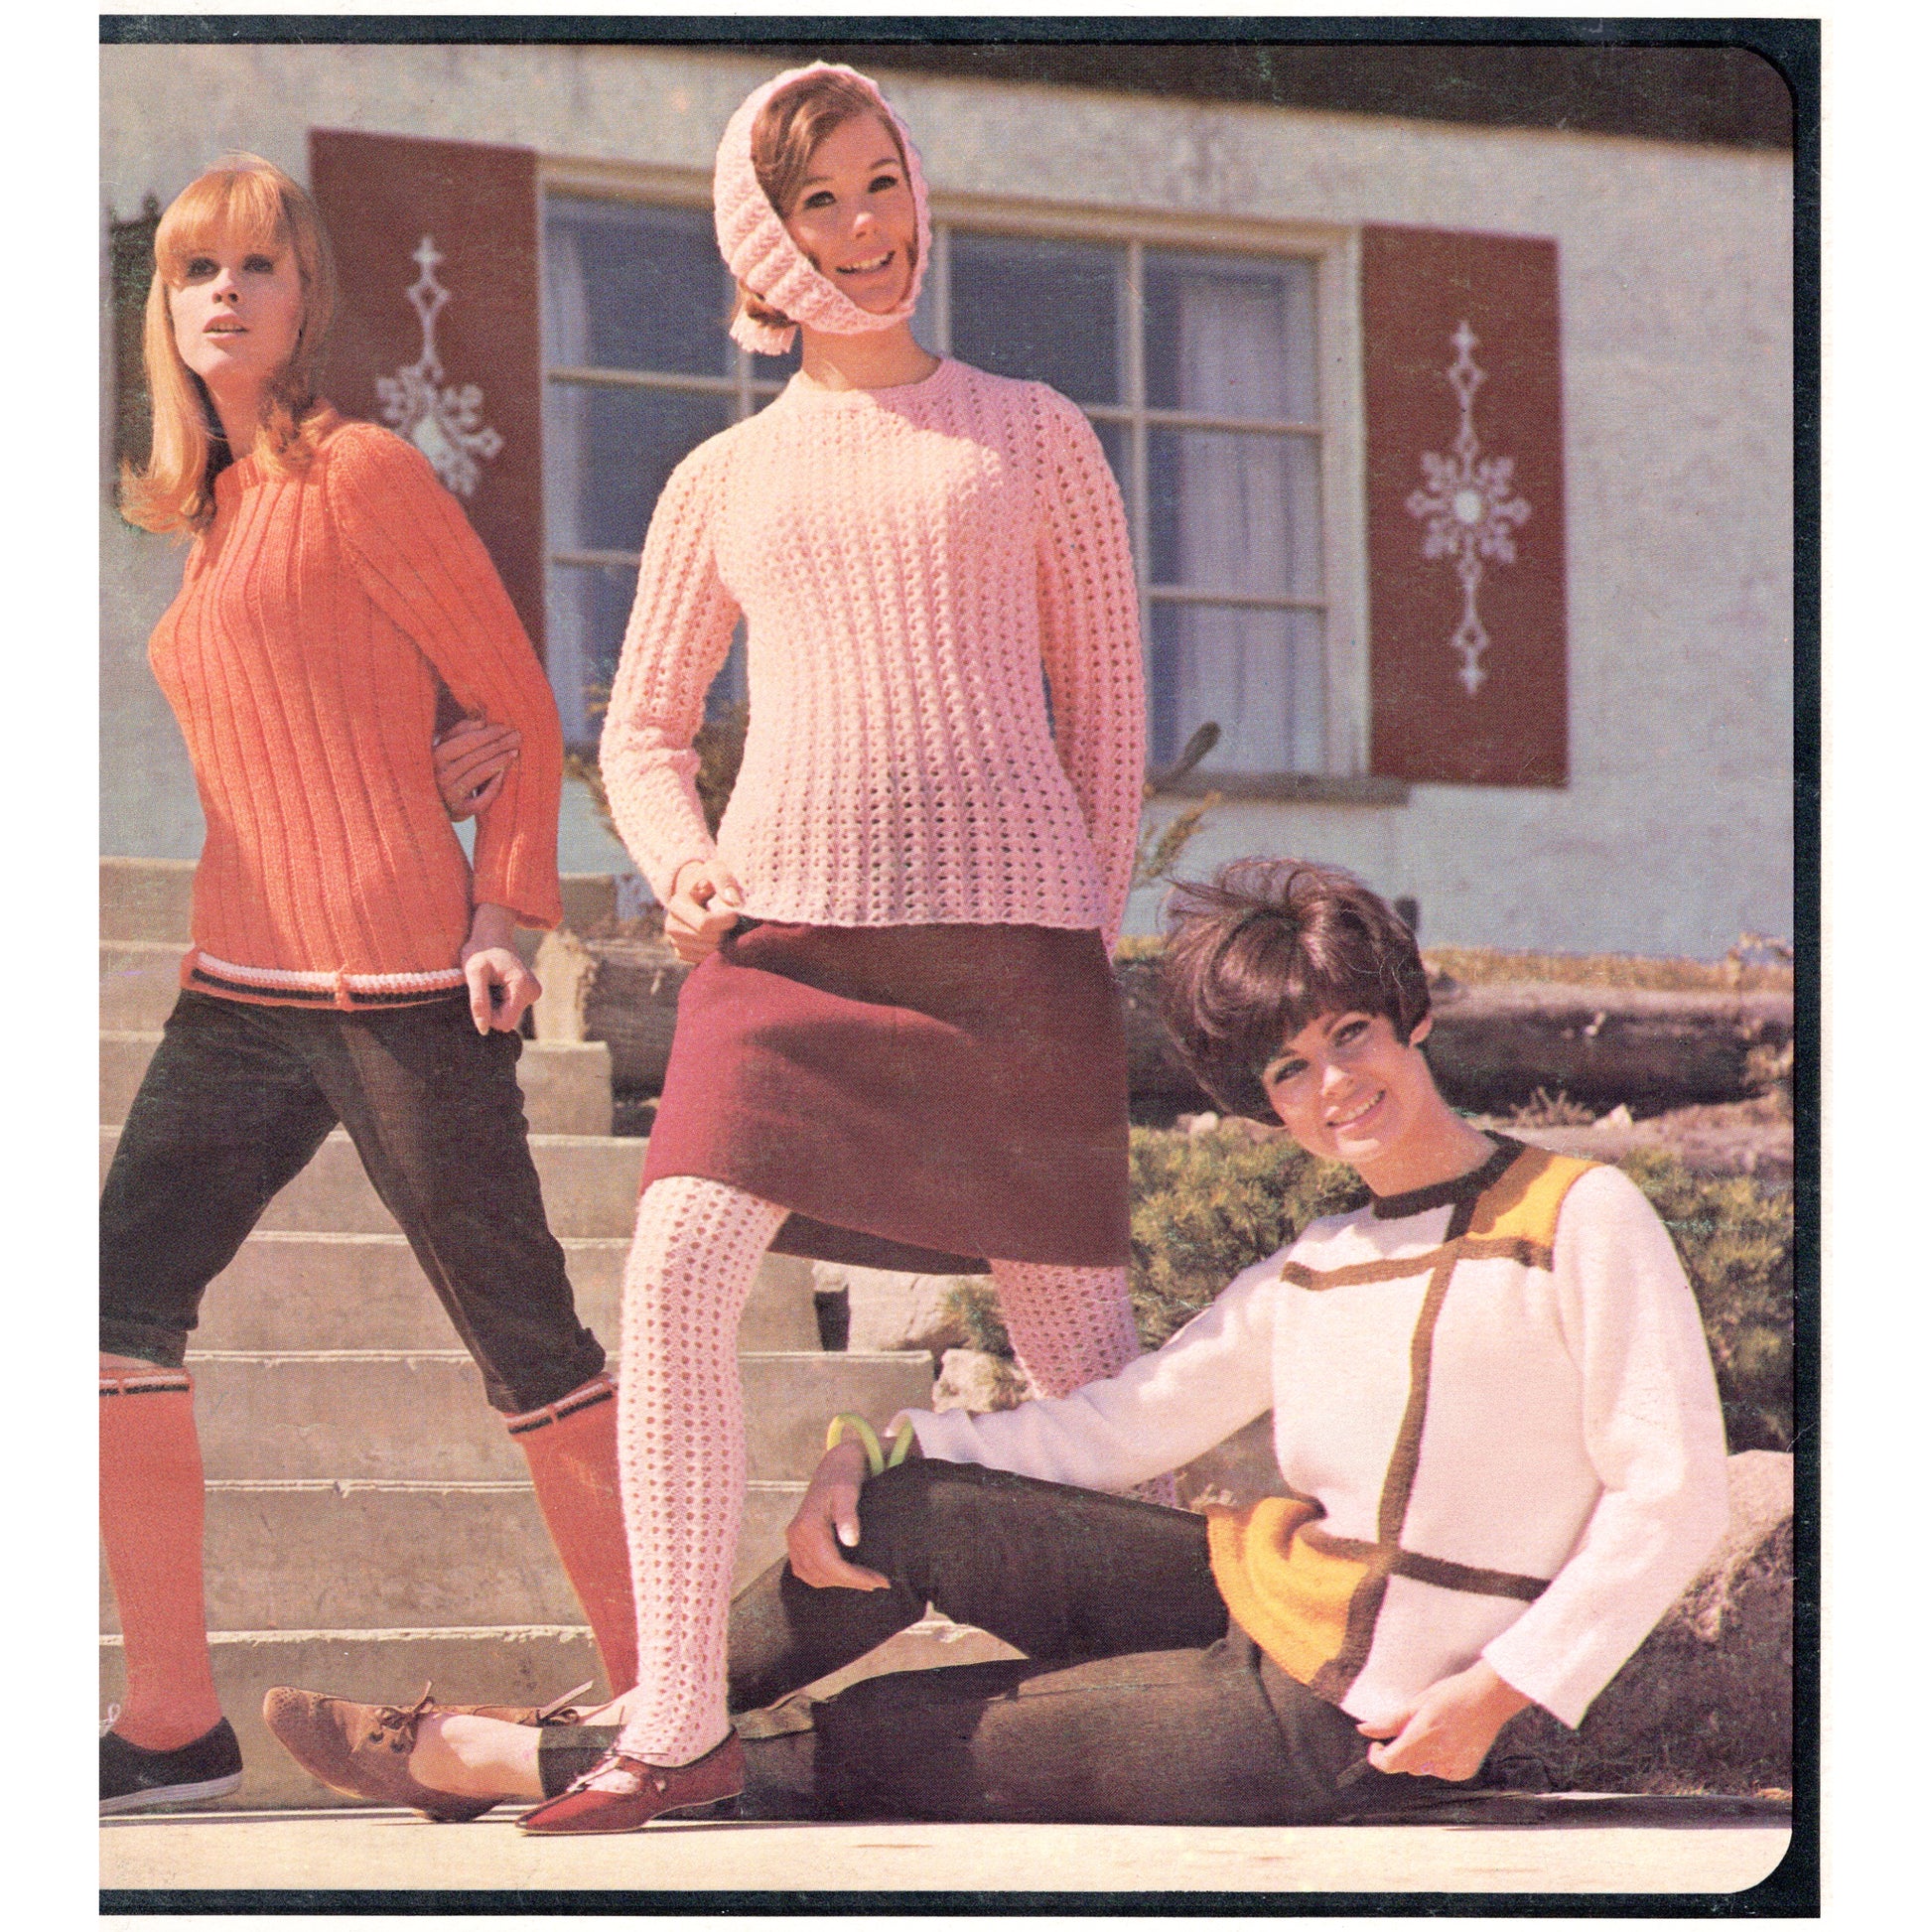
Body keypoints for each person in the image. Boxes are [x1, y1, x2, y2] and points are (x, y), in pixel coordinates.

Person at [266, 859, 1730, 1829]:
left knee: (902, 1728)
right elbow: (1115, 1424)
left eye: (1349, 1032)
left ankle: (523, 1753)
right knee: (905, 1507)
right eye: (1288, 1066)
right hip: (1251, 1603)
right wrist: (869, 1447)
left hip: (1355, 1713)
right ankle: (653, 1716)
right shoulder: (1318, 1262)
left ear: (1406, 1018)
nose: (1331, 1082)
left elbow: (1670, 1489)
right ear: (1265, 1101)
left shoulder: (1575, 1212)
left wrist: (1501, 1690)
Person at [443, 61, 1154, 1818]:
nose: (865, 228)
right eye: (819, 202)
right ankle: (673, 1723)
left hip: (1009, 945)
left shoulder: (1036, 429)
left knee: (1084, 1346)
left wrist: (1077, 919)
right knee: (674, 1272)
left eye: (880, 182)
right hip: (783, 947)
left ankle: (1157, 1666)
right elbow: (642, 730)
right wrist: (681, 864)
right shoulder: (721, 476)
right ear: (763, 243)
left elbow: (1111, 714)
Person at [99, 155, 638, 1816]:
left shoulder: (363, 472)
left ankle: (663, 1699)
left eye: (260, 267)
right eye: (198, 272)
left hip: (403, 981)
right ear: (165, 309)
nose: (227, 296)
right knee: (101, 1319)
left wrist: (508, 913)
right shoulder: (209, 506)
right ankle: (174, 1716)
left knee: (527, 1345)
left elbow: (515, 702)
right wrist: (413, 750)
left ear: (308, 295)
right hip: (239, 986)